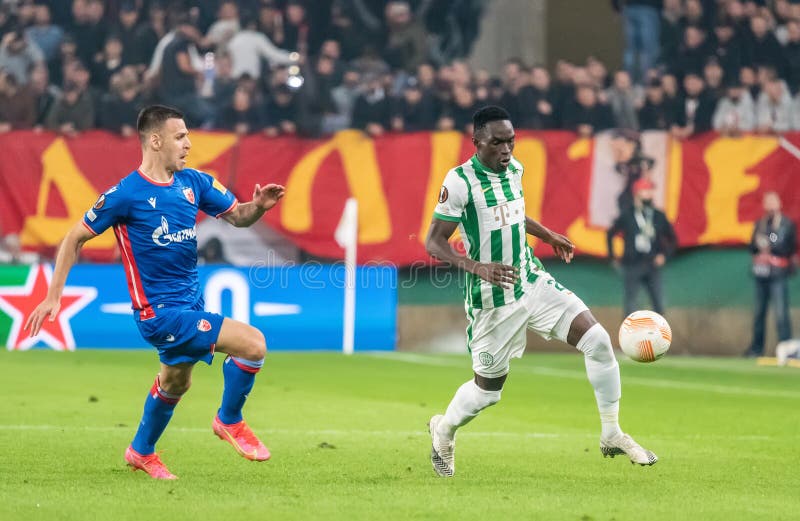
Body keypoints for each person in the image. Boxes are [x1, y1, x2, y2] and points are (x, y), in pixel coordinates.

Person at [24, 105, 286, 480]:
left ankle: (140, 451)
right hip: (158, 314)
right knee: (253, 344)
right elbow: (74, 237)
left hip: (189, 304)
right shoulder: (125, 195)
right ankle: (229, 420)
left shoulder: (194, 183)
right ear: (156, 140)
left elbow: (238, 216)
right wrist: (53, 295)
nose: (188, 144)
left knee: (176, 381)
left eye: (188, 136)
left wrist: (258, 207)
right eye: (180, 137)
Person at [425, 106, 657, 478]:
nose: (506, 150)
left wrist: (546, 234)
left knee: (597, 340)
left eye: (511, 142)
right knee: (487, 393)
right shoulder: (459, 182)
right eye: (497, 143)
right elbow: (433, 243)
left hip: (530, 279)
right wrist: (478, 267)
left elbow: (513, 212)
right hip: (492, 298)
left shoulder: (514, 169)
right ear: (477, 141)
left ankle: (612, 432)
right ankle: (443, 430)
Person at [606, 178, 677, 317]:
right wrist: (612, 256)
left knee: (659, 305)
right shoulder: (627, 215)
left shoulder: (658, 216)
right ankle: (628, 337)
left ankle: (660, 337)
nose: (649, 194)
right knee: (630, 306)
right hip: (633, 264)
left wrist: (664, 255)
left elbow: (673, 239)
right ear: (637, 193)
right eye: (645, 190)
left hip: (652, 264)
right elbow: (610, 234)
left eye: (651, 190)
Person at [744, 192, 797, 358]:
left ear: (779, 203)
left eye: (773, 201)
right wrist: (760, 250)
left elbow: (789, 247)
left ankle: (787, 348)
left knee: (781, 312)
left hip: (778, 274)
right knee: (759, 312)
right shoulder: (760, 224)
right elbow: (753, 245)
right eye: (768, 202)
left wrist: (772, 249)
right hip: (762, 274)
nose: (771, 205)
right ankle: (756, 348)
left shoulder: (786, 224)